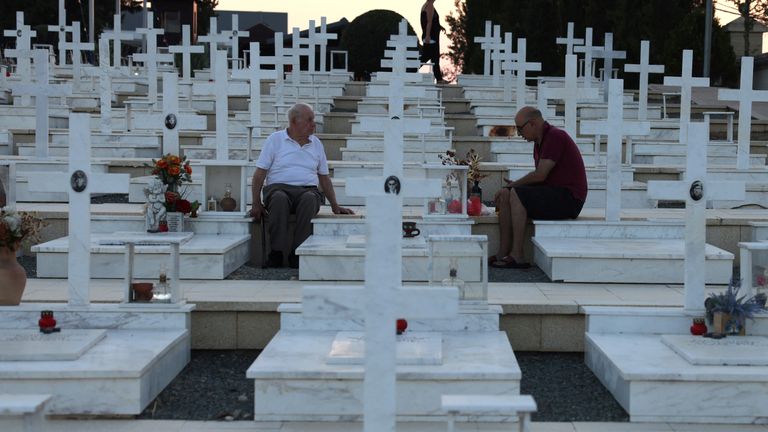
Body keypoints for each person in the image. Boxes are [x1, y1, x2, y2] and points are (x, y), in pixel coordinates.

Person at [250, 102, 354, 268]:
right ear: (293, 122)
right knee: (278, 199)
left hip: (307, 190)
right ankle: (276, 252)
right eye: (309, 120)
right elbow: (259, 174)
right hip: (278, 188)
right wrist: (256, 202)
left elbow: (324, 178)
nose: (314, 124)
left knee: (309, 200)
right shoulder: (275, 140)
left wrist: (335, 205)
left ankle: (297, 252)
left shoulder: (316, 144)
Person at [491, 107, 587, 269]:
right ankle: (502, 252)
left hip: (570, 199)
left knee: (515, 192)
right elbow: (543, 178)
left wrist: (513, 185)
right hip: (554, 193)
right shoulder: (539, 142)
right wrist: (510, 188)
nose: (520, 134)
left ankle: (518, 255)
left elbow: (540, 175)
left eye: (520, 129)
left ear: (533, 124)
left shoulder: (555, 137)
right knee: (507, 195)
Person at [420, 0, 445, 83]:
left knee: (427, 57)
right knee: (433, 57)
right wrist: (427, 35)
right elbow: (429, 22)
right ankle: (439, 79)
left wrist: (439, 26)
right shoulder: (429, 6)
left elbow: (432, 21)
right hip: (431, 38)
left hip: (431, 37)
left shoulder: (427, 5)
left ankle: (439, 79)